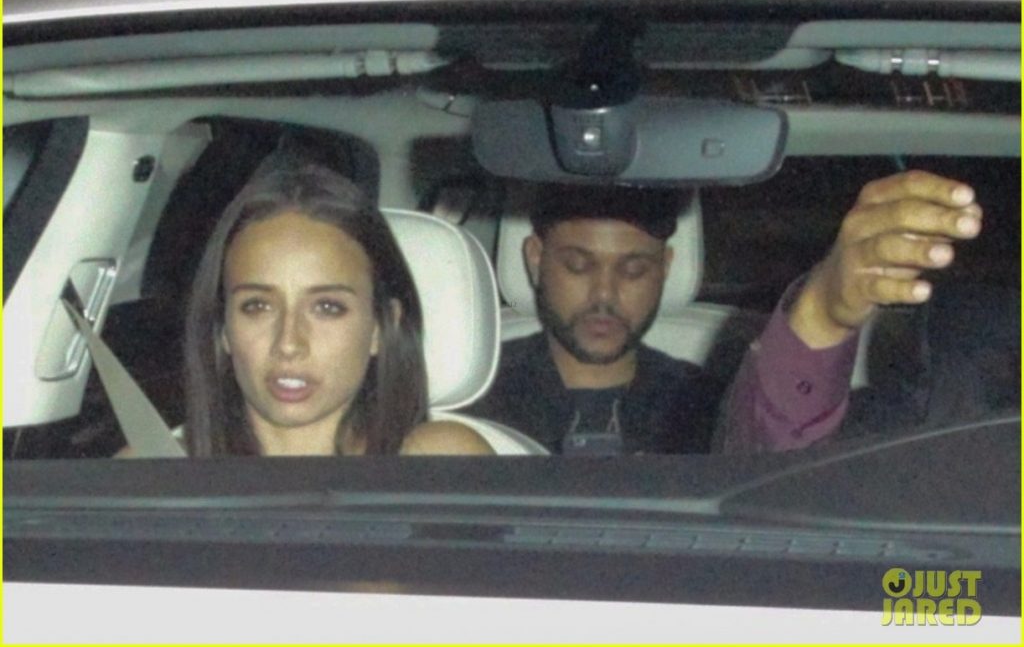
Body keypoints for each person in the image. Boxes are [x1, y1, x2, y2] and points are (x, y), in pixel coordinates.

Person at [465, 171, 983, 454]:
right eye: (578, 265)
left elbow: (774, 450)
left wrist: (822, 313)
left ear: (666, 269)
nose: (605, 293)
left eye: (634, 269)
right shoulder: (465, 399)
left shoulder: (709, 401)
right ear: (536, 260)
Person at [183, 164, 493, 457]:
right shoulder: (163, 469)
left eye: (327, 307)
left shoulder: (436, 461)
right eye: (258, 306)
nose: (289, 344)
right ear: (223, 327)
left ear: (380, 326)